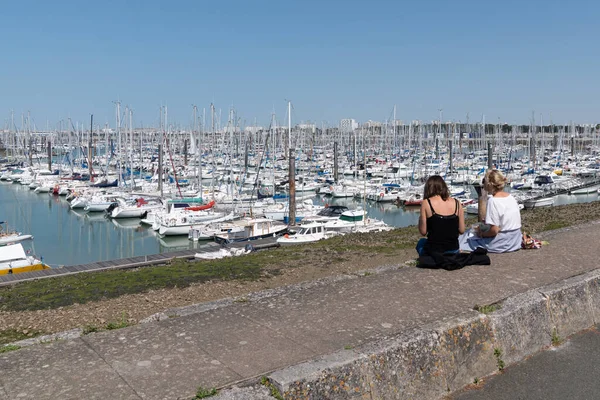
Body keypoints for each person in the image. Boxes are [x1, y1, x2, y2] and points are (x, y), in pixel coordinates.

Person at [459, 169, 522, 253]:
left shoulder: (493, 201)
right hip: (516, 239)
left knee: (466, 239)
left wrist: (481, 234)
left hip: (503, 242)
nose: (483, 183)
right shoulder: (511, 197)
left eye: (484, 181)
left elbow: (494, 230)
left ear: (490, 184)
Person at [416, 175, 465, 256]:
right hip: (453, 250)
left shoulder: (426, 203)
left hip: (435, 252)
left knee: (421, 242)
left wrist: (420, 219)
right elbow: (462, 230)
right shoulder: (457, 203)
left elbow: (423, 232)